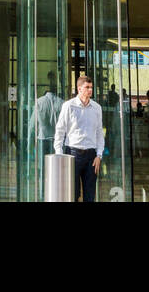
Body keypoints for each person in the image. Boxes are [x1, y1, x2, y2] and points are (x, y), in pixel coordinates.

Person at [53, 74, 105, 203]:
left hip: (91, 157)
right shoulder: (69, 106)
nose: (90, 90)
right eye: (87, 87)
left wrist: (99, 155)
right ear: (79, 89)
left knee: (90, 195)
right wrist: (59, 155)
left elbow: (99, 133)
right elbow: (60, 131)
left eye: (91, 87)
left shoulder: (97, 108)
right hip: (73, 154)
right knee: (72, 194)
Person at [32, 71, 64, 166]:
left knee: (43, 166)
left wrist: (30, 137)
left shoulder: (39, 102)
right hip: (57, 138)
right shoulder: (62, 102)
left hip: (43, 138)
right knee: (56, 165)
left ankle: (43, 180)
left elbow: (32, 123)